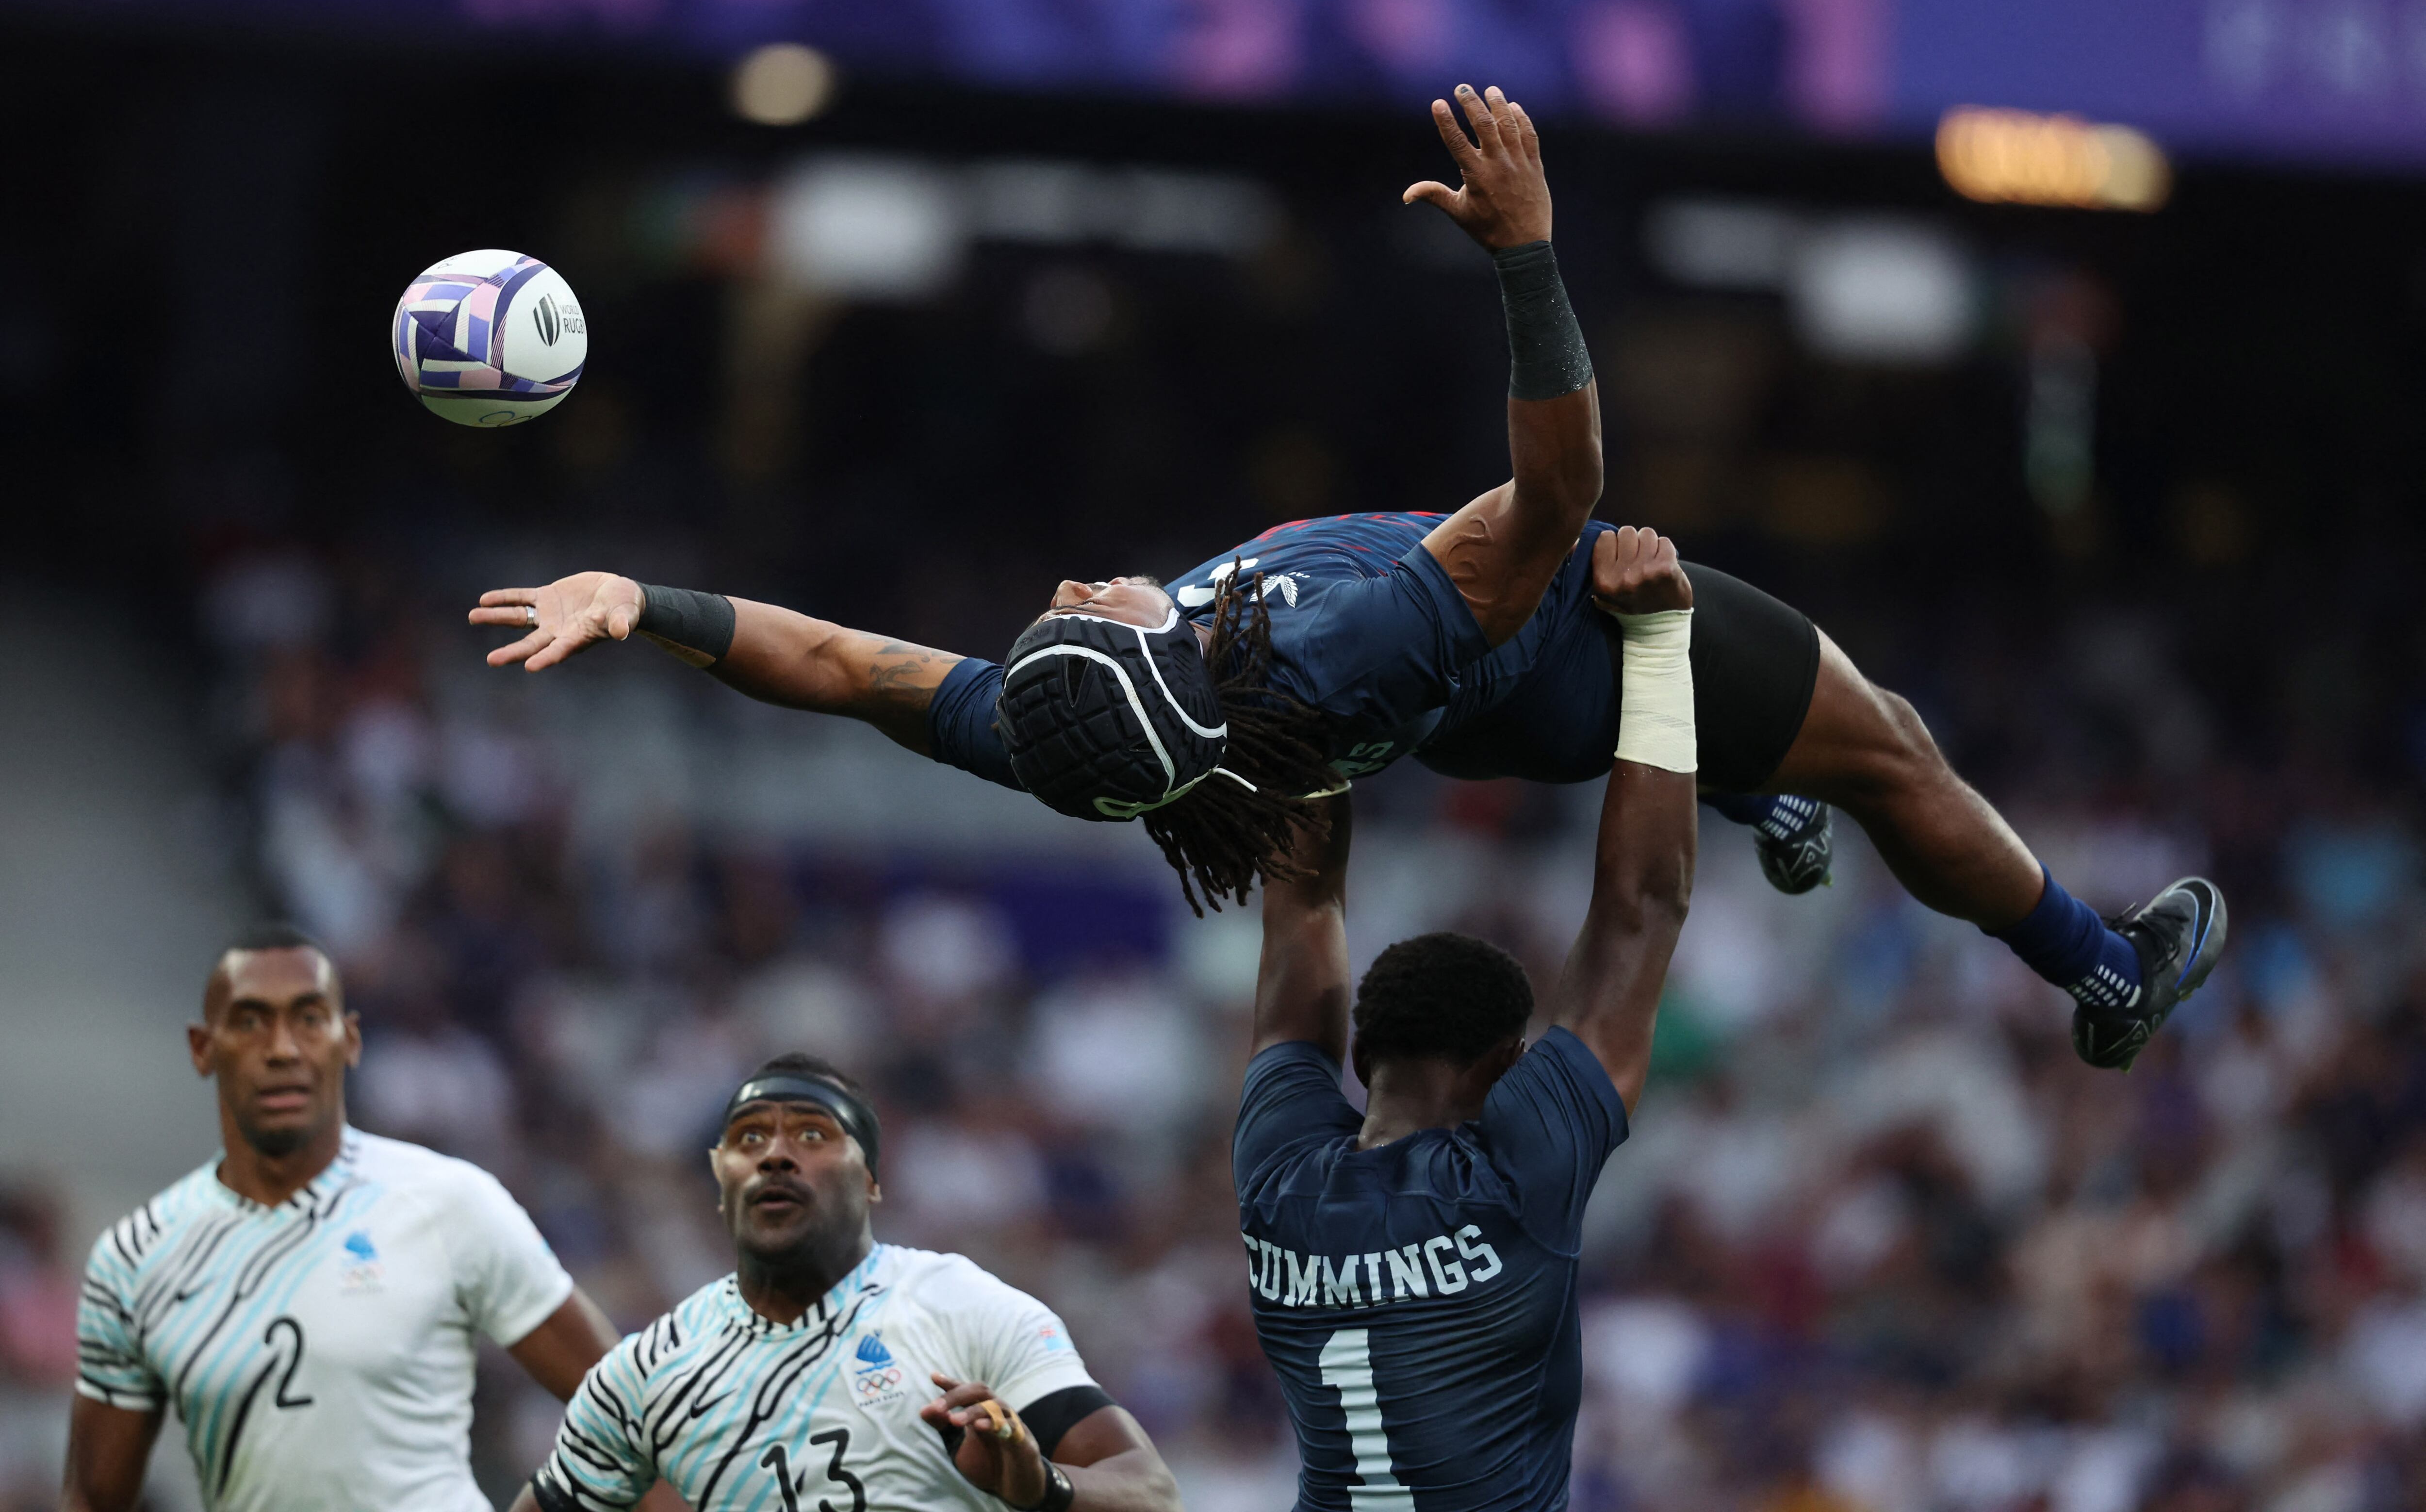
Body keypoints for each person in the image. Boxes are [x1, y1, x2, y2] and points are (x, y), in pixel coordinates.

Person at [470, 85, 2222, 1070]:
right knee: (1894, 744)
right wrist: (1528, 261)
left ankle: (1767, 779)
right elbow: (1563, 485)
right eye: (1087, 606)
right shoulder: (1364, 618)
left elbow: (843, 665)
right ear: (1155, 645)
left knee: (1807, 760)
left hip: (1460, 722)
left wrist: (652, 607)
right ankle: (2095, 965)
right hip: (1570, 640)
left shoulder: (1062, 735)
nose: (1077, 582)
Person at [1231, 525, 1697, 1511]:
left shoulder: (1281, 1180)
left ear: (1362, 1050)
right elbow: (1640, 909)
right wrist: (1654, 644)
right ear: (1504, 1063)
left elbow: (1299, 927)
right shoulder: (1514, 1177)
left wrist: (1308, 710)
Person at [64, 923, 647, 1512]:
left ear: (349, 1040)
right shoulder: (137, 1256)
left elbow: (636, 1418)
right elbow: (92, 1497)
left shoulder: (451, 1204)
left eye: (310, 1019)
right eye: (249, 1021)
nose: (283, 1049)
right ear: (202, 1047)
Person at [512, 1052, 1182, 1512]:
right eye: (749, 1139)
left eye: (811, 1134)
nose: (775, 1154)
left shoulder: (962, 1307)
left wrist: (1046, 1489)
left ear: (871, 1182)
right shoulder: (647, 1371)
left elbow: (1150, 1491)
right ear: (722, 1185)